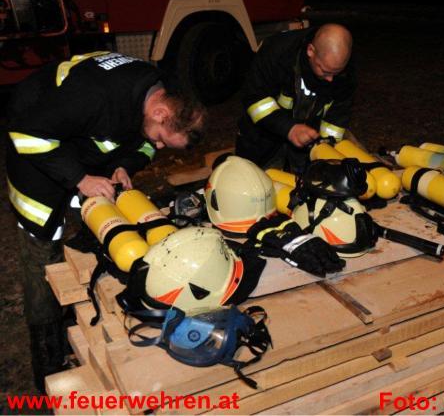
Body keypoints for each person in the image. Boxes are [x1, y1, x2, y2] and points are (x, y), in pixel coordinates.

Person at [5, 51, 205, 392]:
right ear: (160, 112)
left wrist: (125, 164)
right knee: (43, 266)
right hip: (34, 154)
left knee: (88, 246)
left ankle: (77, 329)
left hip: (74, 146)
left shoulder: (161, 92)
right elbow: (26, 135)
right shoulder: (95, 95)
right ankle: (48, 363)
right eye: (160, 137)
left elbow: (142, 145)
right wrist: (80, 179)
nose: (157, 146)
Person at [236, 23, 357, 175]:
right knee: (252, 178)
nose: (330, 79)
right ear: (310, 50)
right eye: (325, 71)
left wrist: (326, 148)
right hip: (263, 135)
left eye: (336, 72)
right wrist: (289, 128)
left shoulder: (345, 71)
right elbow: (254, 98)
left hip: (307, 142)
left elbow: (337, 118)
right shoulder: (277, 52)